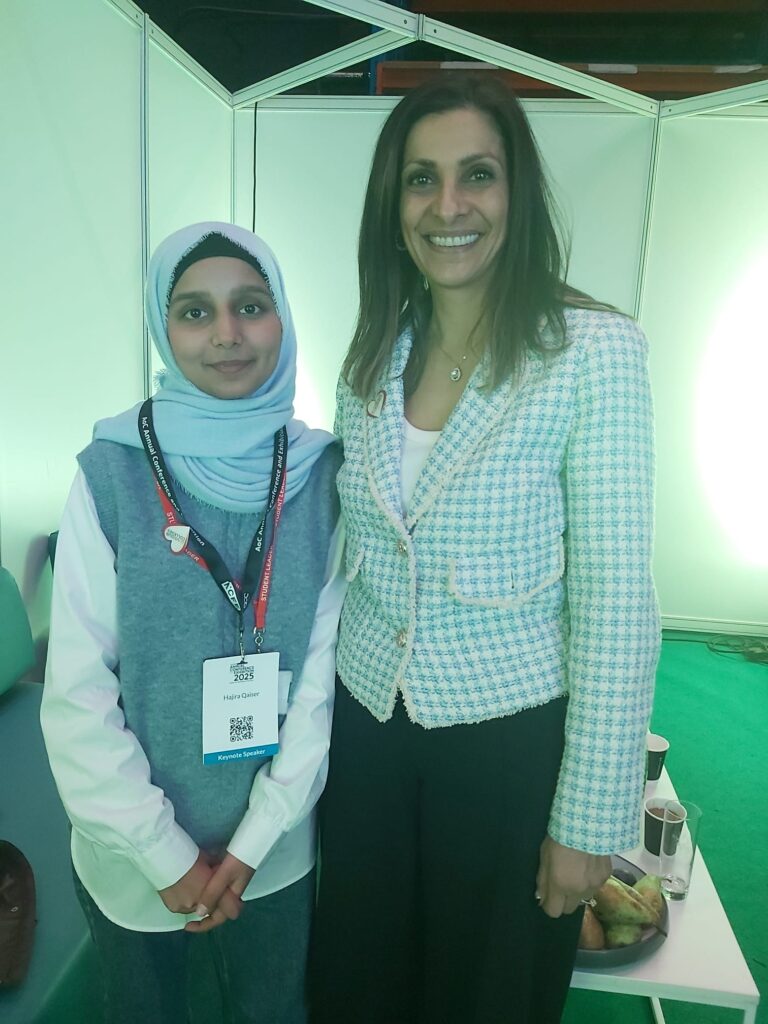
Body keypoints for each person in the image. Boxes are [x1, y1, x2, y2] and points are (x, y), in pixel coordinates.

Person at [310, 74, 660, 1024]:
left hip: (508, 744)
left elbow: (617, 600)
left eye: (478, 175)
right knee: (358, 981)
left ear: (517, 194)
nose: (449, 205)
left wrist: (590, 819)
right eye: (421, 180)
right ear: (394, 206)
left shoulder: (593, 350)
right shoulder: (375, 350)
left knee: (487, 995)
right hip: (369, 731)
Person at [41, 222, 344, 1024]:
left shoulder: (322, 477)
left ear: (283, 321)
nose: (227, 335)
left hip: (273, 854)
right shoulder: (110, 474)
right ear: (162, 328)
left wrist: (252, 844)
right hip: (133, 861)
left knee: (271, 1011)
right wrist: (163, 854)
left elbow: (320, 687)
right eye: (195, 312)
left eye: (251, 306)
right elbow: (76, 694)